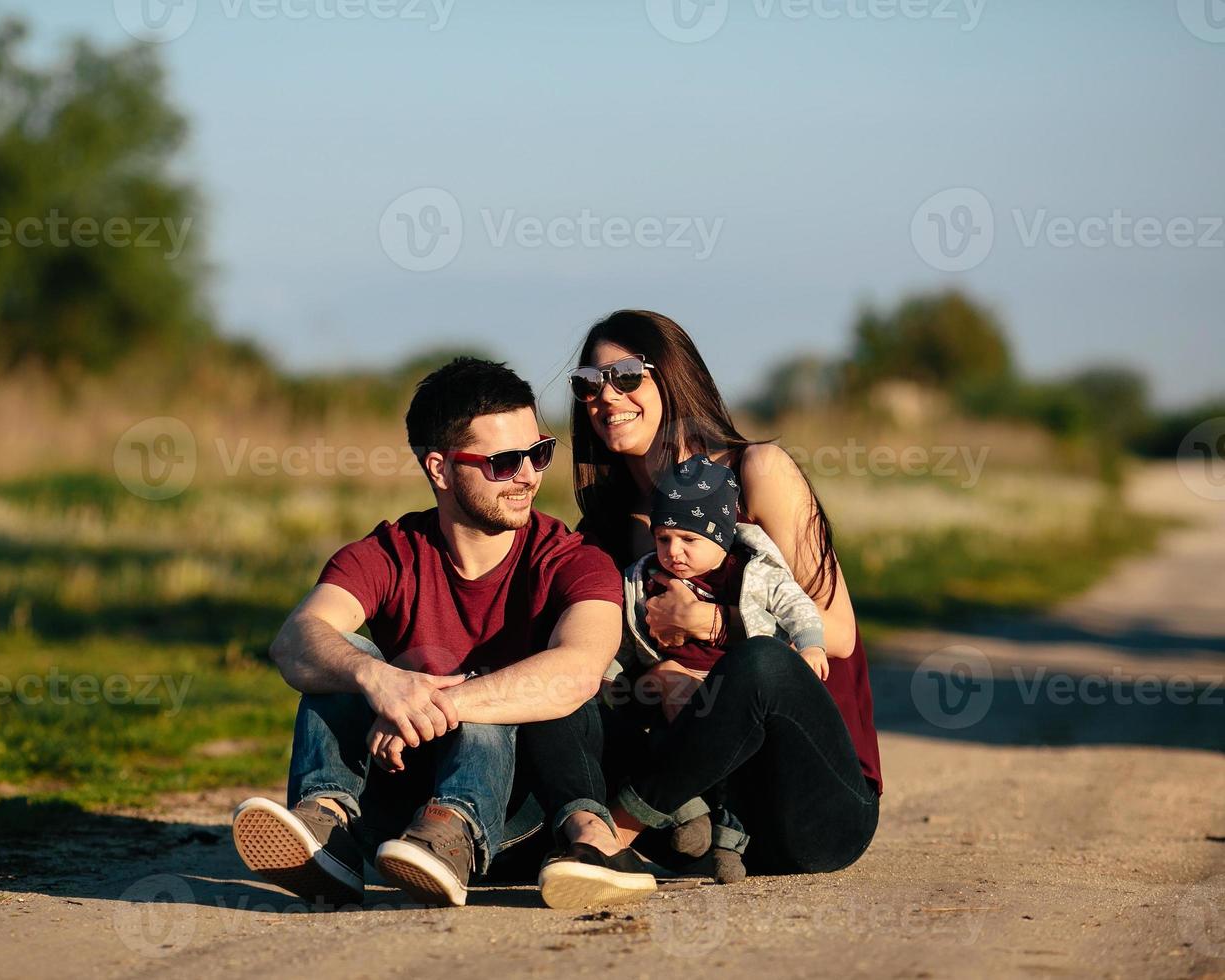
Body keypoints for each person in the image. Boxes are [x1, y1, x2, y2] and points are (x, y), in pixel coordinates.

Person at [231, 356, 656, 909]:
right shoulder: (387, 553)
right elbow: (294, 640)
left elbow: (577, 671)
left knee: (501, 693)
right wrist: (377, 679)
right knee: (346, 653)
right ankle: (327, 829)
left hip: (514, 820)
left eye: (539, 453)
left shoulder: (574, 560)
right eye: (504, 461)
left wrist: (436, 697)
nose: (529, 474)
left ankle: (452, 829)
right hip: (395, 806)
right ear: (439, 469)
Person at [566, 310, 883, 881]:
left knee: (759, 663)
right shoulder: (604, 533)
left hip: (812, 810)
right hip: (697, 825)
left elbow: (836, 635)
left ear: (672, 375)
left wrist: (713, 624)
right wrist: (655, 678)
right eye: (588, 383)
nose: (605, 396)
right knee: (567, 676)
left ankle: (610, 834)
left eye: (627, 375)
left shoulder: (757, 471)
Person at [605, 451, 830, 879]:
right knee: (657, 734)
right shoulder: (642, 578)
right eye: (663, 538)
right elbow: (623, 635)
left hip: (736, 688)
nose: (674, 552)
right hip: (669, 690)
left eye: (689, 540)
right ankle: (686, 811)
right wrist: (611, 675)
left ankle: (729, 842)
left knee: (736, 765)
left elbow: (798, 607)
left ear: (723, 536)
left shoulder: (752, 573)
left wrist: (811, 645)